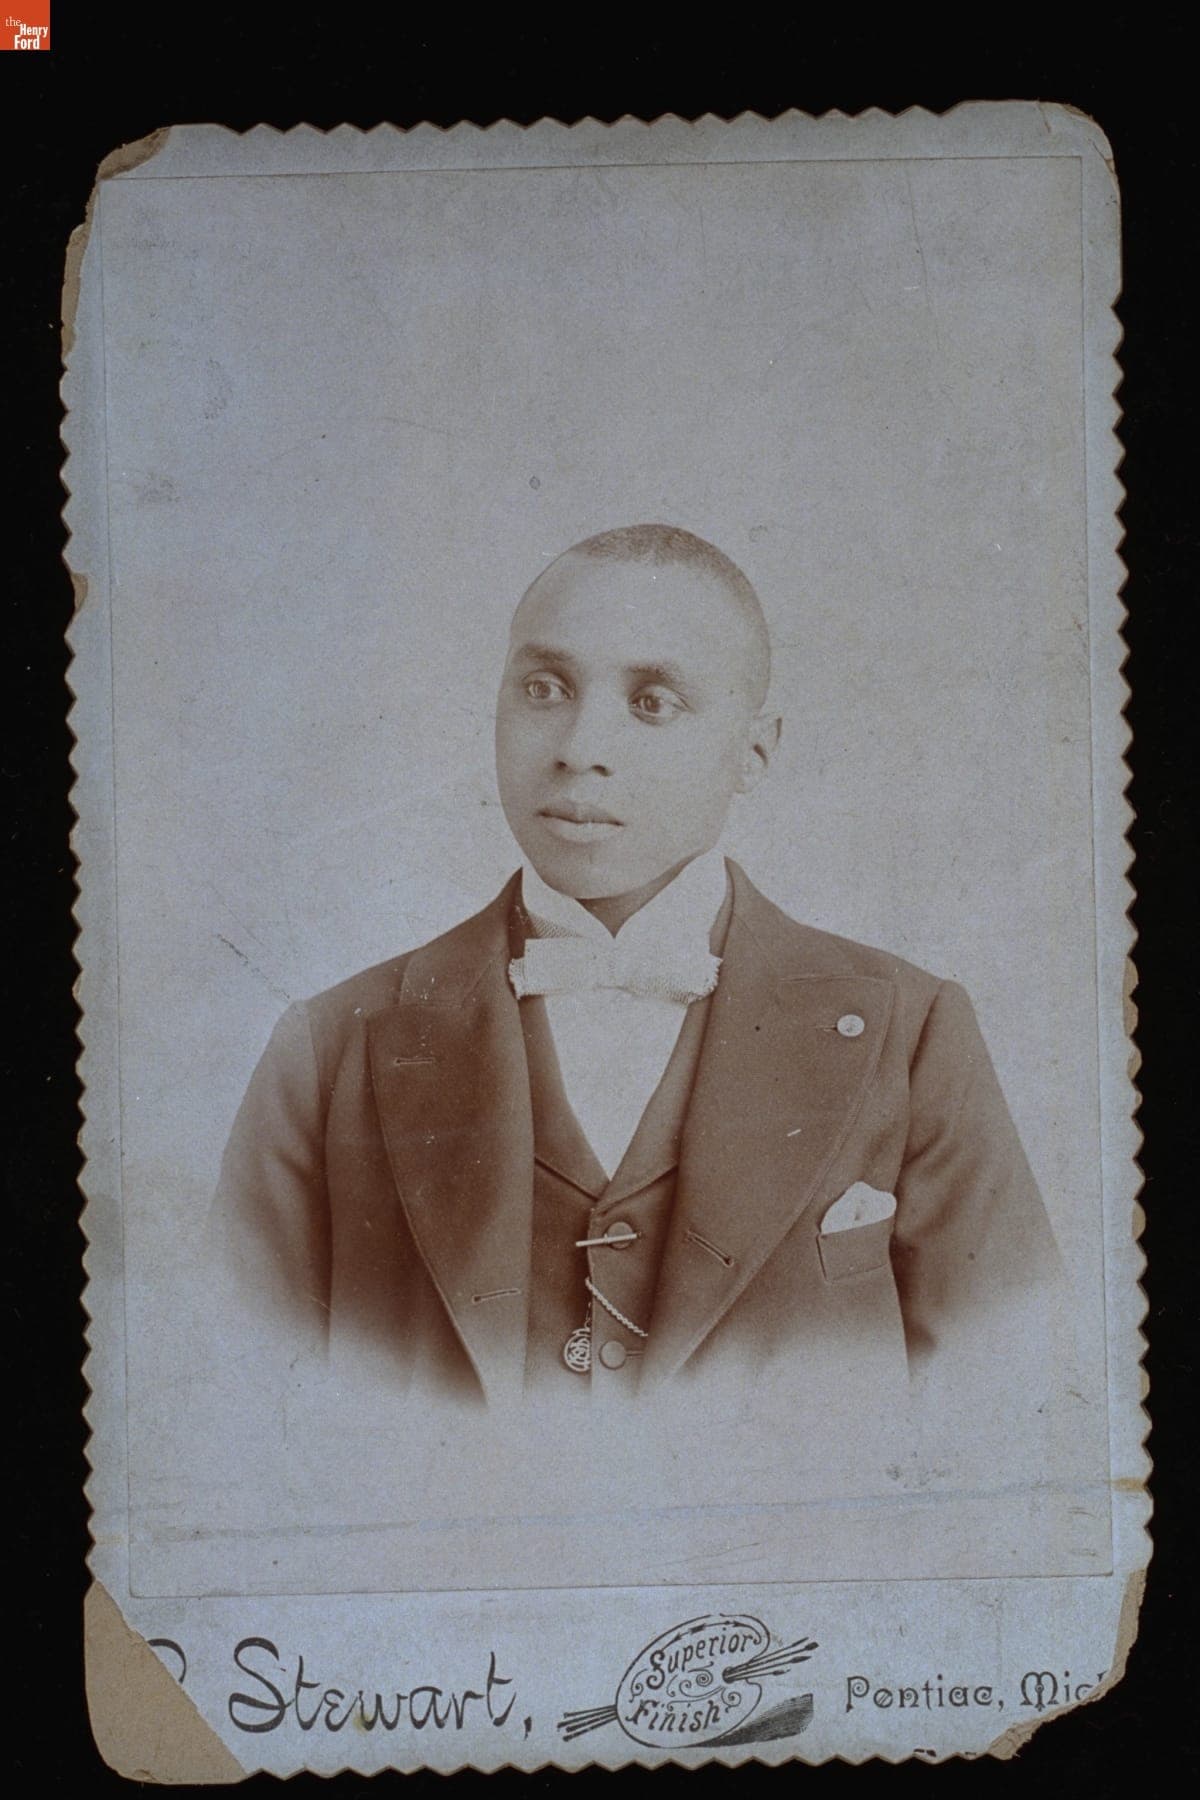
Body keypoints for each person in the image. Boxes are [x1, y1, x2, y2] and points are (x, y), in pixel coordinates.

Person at [213, 523, 1070, 1443]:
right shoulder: (333, 1043)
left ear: (754, 751)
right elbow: (243, 1426)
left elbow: (1014, 1418)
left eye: (653, 703)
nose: (582, 746)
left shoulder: (910, 1029)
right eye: (544, 689)